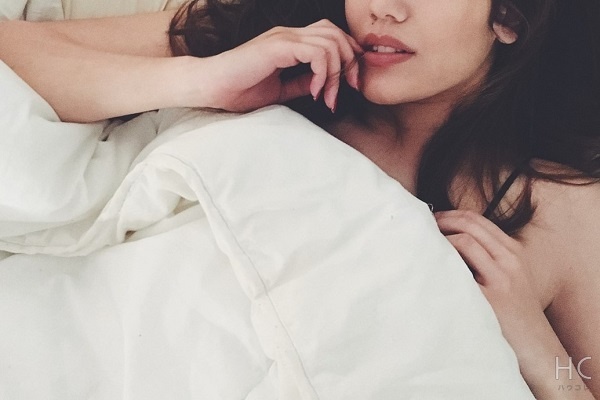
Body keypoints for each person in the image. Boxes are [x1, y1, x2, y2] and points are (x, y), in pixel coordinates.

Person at [1, 0, 599, 398]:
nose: (382, 8)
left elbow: (579, 382)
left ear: (508, 16)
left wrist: (534, 341)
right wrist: (203, 79)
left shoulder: (562, 205)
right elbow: (14, 54)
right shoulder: (273, 42)